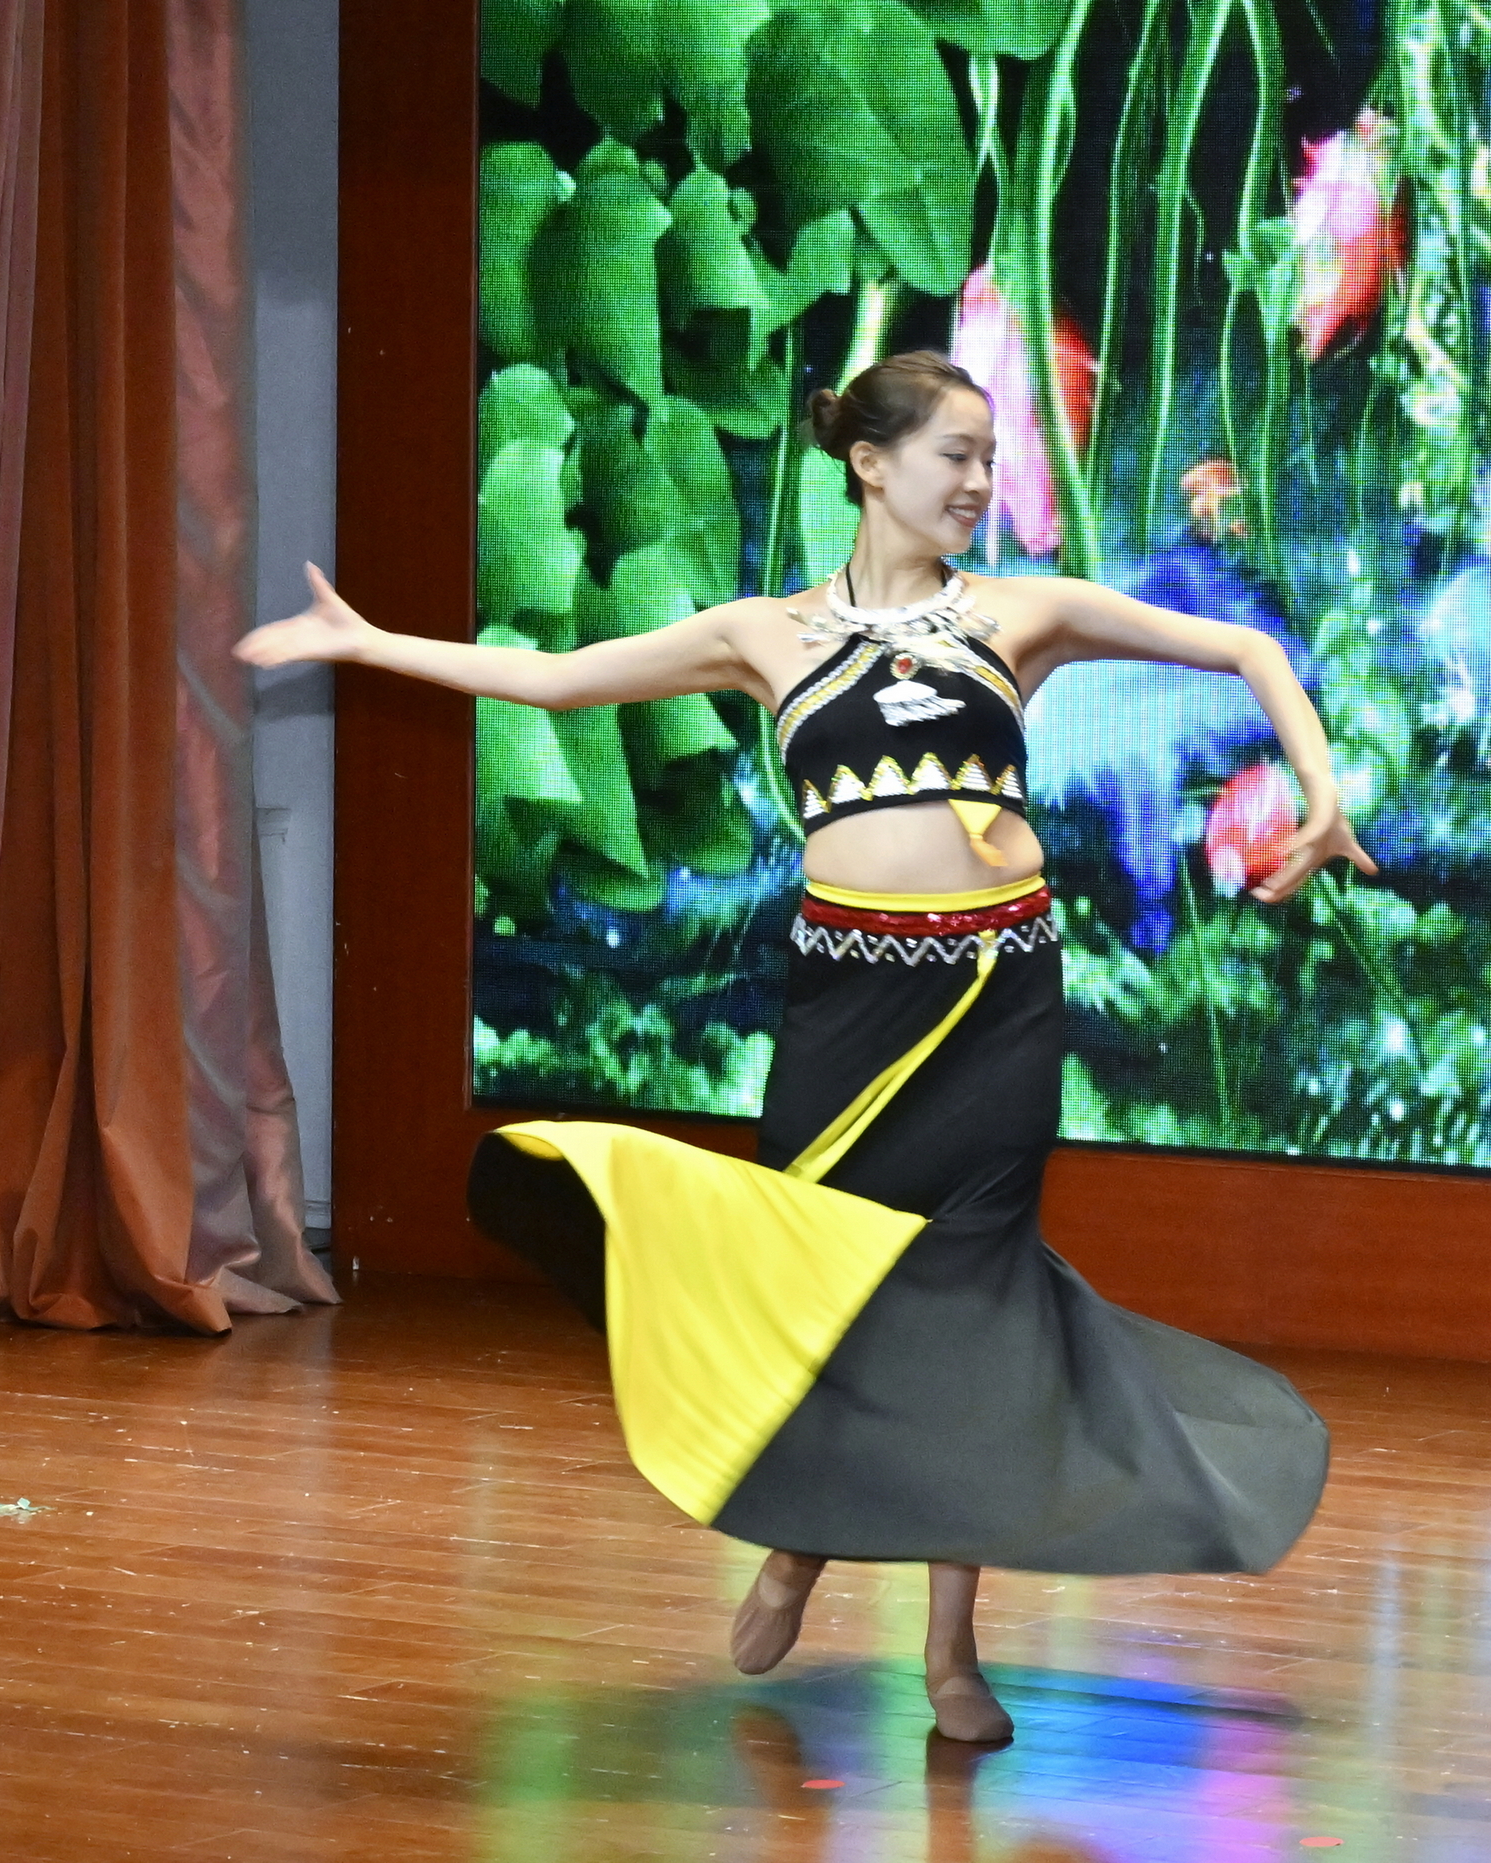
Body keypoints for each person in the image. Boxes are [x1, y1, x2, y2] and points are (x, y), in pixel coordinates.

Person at [236, 351, 1370, 1745]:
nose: (975, 479)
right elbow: (557, 683)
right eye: (952, 453)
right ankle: (798, 1546)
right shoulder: (766, 633)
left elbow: (1251, 650)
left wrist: (1319, 796)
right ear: (870, 464)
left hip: (996, 994)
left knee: (975, 1313)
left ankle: (953, 1652)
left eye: (983, 454)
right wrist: (366, 644)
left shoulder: (1023, 613)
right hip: (848, 1001)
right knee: (823, 1285)